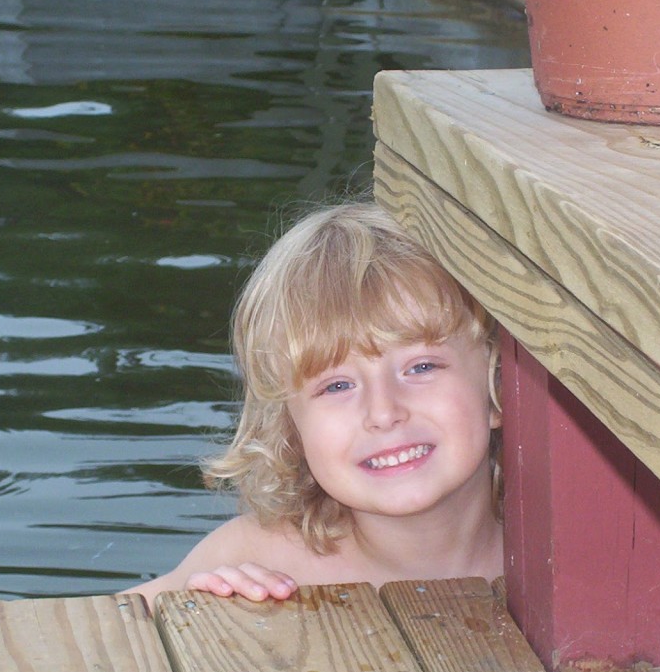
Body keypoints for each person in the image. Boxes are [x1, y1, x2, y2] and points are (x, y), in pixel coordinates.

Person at [127, 201, 502, 610]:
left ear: (498, 386)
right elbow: (99, 630)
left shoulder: (570, 547)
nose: (383, 412)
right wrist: (197, 615)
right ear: (292, 429)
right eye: (337, 385)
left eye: (421, 366)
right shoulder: (256, 558)